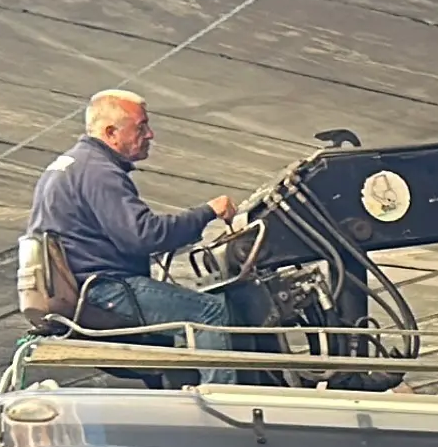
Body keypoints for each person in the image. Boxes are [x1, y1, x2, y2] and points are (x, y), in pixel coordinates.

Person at [27, 89, 276, 371]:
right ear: (111, 132)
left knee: (173, 328)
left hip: (80, 287)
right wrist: (207, 212)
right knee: (211, 312)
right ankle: (218, 395)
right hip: (104, 290)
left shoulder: (68, 165)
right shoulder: (99, 172)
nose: (150, 134)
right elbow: (144, 236)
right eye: (141, 126)